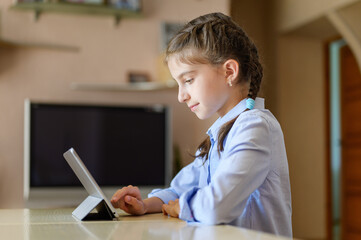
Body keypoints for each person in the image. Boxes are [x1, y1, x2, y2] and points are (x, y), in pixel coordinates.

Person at [111, 12, 292, 237]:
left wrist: (182, 207)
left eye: (188, 80)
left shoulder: (256, 127)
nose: (181, 96)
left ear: (229, 72)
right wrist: (146, 205)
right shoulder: (219, 135)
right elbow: (179, 189)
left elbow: (216, 205)